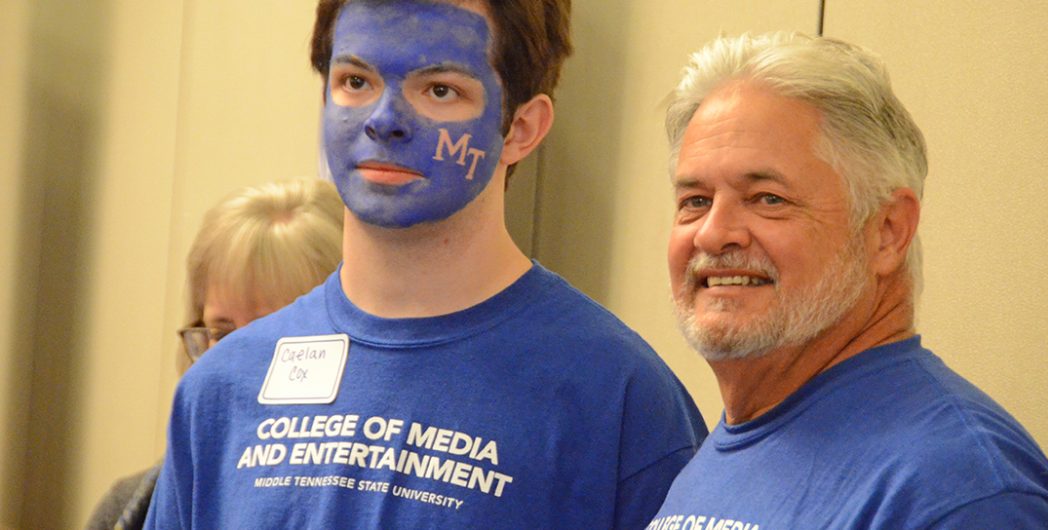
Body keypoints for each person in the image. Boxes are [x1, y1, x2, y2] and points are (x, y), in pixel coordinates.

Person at [145, 1, 706, 528]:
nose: (384, 120)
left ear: (522, 129)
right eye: (356, 82)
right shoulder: (221, 390)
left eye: (439, 90)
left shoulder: (619, 400)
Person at [648, 32, 1048, 529]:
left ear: (887, 231)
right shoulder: (732, 450)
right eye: (695, 201)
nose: (712, 233)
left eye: (768, 198)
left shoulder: (960, 494)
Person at [86, 178, 344, 529]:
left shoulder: (371, 503)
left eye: (268, 333)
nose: (235, 364)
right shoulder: (130, 510)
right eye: (222, 334)